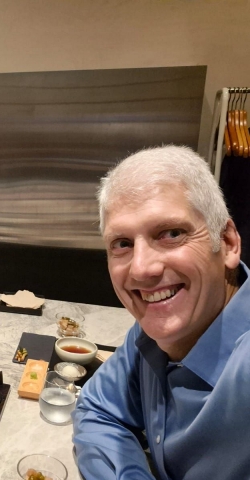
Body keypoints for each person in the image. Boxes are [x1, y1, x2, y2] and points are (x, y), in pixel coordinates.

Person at [72, 145, 247, 479]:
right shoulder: (152, 333)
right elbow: (98, 409)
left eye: (171, 233)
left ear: (227, 242)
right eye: (122, 243)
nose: (141, 269)